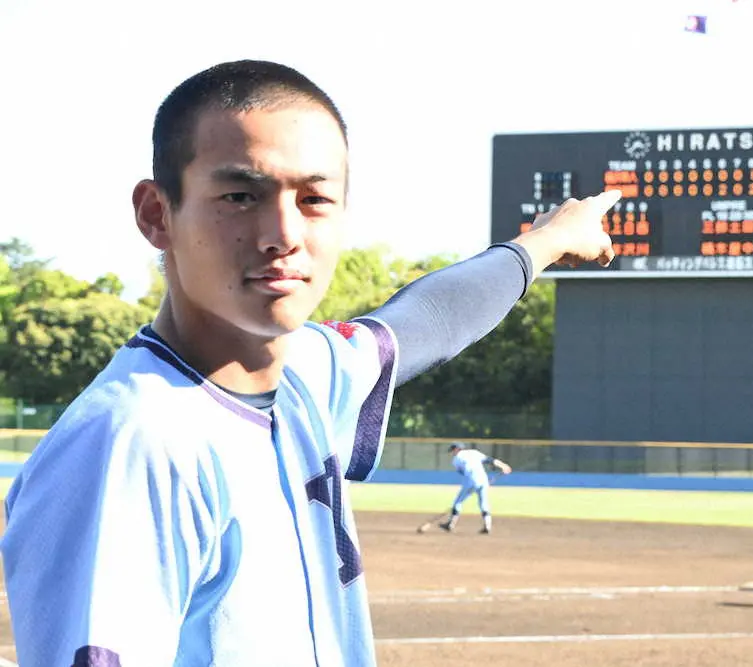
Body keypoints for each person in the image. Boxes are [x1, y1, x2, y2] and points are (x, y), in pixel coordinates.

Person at [0, 60, 619, 667]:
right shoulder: (129, 444)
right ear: (157, 214)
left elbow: (426, 320)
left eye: (315, 198)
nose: (284, 234)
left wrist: (547, 240)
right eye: (240, 195)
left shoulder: (304, 373)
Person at [439, 442, 512, 535]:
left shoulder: (456, 459)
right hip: (483, 480)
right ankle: (487, 526)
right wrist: (503, 465)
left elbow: (463, 472)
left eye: (452, 450)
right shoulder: (474, 452)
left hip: (471, 481)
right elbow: (490, 460)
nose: (452, 453)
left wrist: (474, 482)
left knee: (458, 502)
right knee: (483, 503)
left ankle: (450, 524)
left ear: (457, 449)